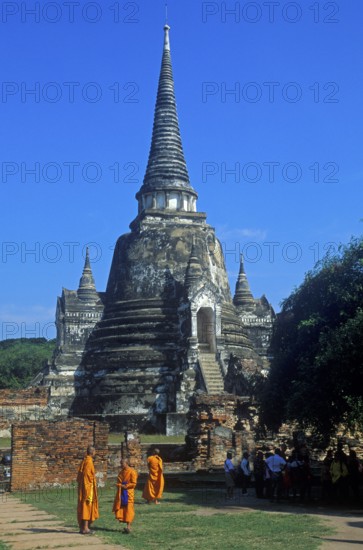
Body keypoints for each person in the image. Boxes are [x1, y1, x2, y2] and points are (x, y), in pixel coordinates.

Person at [77, 445, 99, 534]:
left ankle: (83, 527)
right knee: (86, 506)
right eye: (95, 451)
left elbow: (79, 476)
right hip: (87, 488)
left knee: (84, 506)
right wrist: (88, 490)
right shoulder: (89, 462)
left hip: (84, 487)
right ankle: (85, 528)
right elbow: (86, 477)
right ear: (92, 452)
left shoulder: (84, 461)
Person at [112, 458, 138, 534]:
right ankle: (125, 523)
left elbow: (134, 483)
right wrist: (119, 485)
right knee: (123, 508)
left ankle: (128, 526)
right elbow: (118, 481)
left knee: (129, 509)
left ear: (126, 463)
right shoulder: (121, 472)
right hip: (122, 492)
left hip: (129, 493)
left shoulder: (132, 471)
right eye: (120, 464)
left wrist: (126, 486)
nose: (121, 465)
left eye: (122, 463)